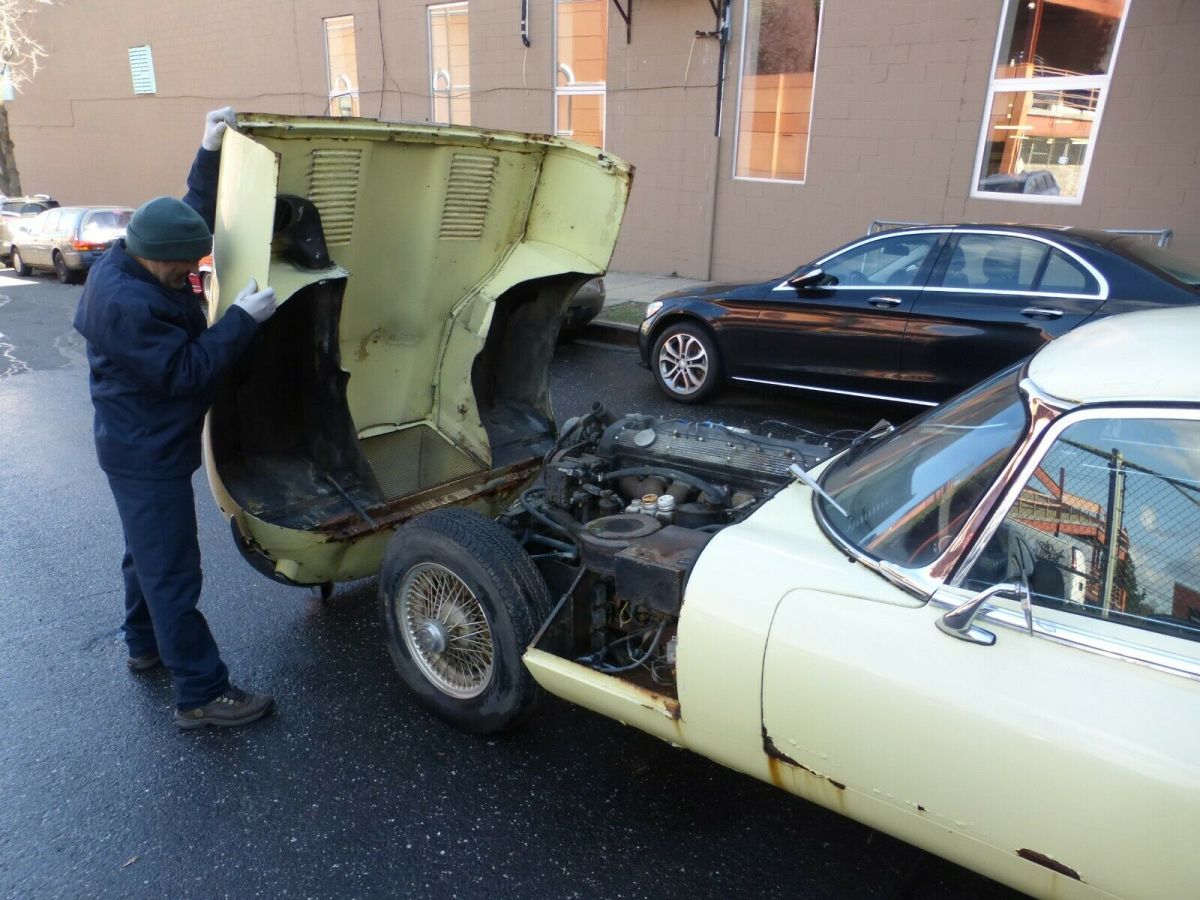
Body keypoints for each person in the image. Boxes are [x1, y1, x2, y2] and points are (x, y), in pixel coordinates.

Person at [74, 107, 279, 730]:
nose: (193, 273)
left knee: (146, 554)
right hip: (146, 453)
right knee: (172, 571)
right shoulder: (125, 305)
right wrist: (243, 320)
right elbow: (187, 372)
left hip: (138, 442)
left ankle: (144, 646)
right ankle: (201, 693)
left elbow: (184, 213)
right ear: (159, 262)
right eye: (187, 268)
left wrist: (209, 149)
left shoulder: (140, 250)